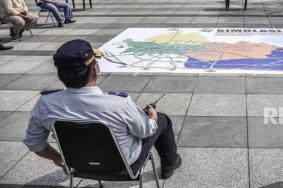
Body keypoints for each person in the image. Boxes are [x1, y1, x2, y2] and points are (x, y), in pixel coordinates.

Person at [23, 39, 182, 179]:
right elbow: (144, 132)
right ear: (95, 69)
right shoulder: (119, 103)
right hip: (123, 165)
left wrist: (59, 158)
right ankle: (170, 163)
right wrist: (152, 119)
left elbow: (34, 142)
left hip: (76, 165)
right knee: (162, 120)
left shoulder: (45, 103)